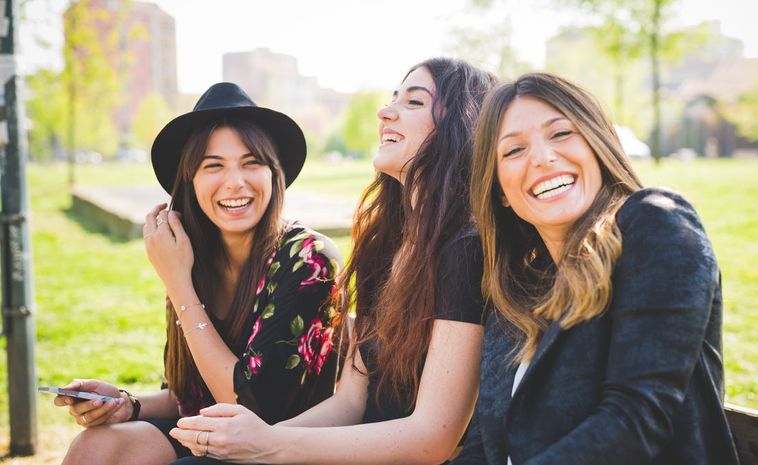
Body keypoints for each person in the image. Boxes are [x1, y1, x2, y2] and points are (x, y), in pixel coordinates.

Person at [166, 57, 497, 465]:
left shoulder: (466, 250)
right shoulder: (386, 248)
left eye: (414, 103)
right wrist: (242, 443)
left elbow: (433, 440)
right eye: (394, 98)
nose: (385, 111)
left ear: (459, 127)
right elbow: (350, 405)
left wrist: (269, 445)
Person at [453, 73, 740, 465]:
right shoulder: (514, 299)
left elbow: (635, 420)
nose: (542, 157)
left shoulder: (657, 225)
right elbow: (482, 447)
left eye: (560, 133)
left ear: (597, 144)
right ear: (500, 190)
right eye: (514, 150)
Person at [55, 82, 341, 465]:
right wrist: (128, 404)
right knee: (99, 445)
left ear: (275, 174)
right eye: (213, 166)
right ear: (190, 181)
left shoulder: (308, 257)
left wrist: (178, 283)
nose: (234, 181)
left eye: (251, 162)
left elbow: (253, 409)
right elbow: (189, 395)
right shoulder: (193, 258)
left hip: (281, 447)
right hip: (214, 437)